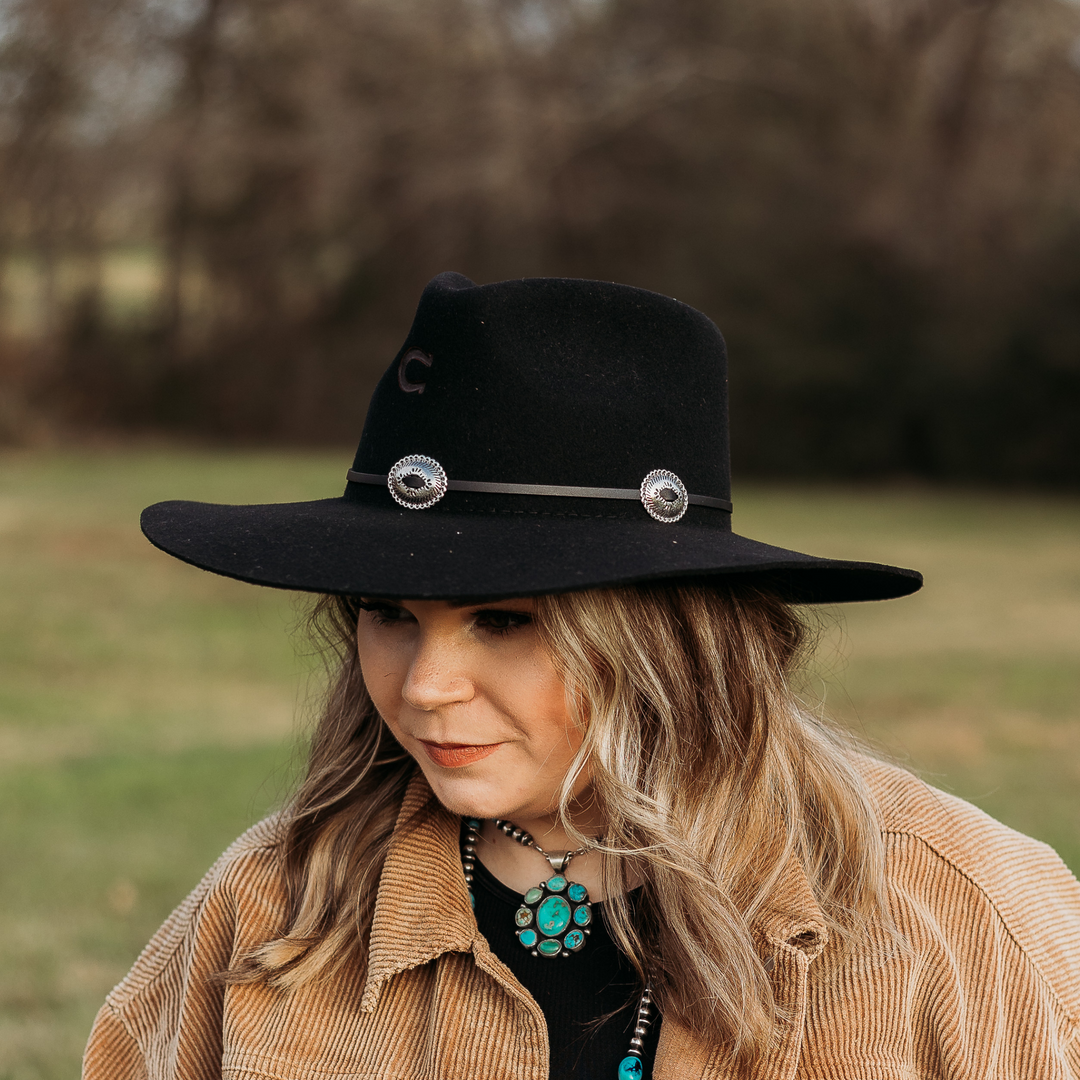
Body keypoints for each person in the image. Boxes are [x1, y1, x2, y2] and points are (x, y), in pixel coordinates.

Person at [84, 273, 1080, 1080]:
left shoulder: (949, 906)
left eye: (505, 621)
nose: (428, 686)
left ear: (668, 637)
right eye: (390, 614)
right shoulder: (276, 906)